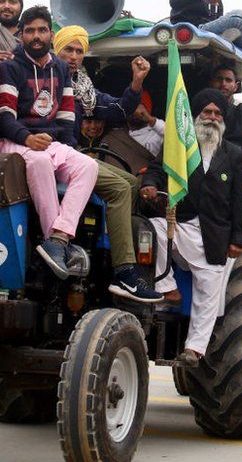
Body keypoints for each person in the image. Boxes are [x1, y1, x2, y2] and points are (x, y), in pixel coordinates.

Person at [53, 26, 161, 302]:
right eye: (68, 49)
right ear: (57, 50)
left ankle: (106, 249)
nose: (74, 56)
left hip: (72, 153)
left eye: (79, 51)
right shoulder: (47, 79)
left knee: (132, 182)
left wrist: (136, 82)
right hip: (55, 153)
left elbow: (117, 109)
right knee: (119, 189)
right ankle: (124, 272)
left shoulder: (83, 86)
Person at [140, 89, 242, 366]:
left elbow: (238, 199)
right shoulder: (179, 145)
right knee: (154, 229)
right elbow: (155, 168)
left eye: (217, 113)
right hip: (182, 225)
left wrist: (237, 239)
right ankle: (168, 287)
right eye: (207, 112)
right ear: (196, 116)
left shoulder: (234, 154)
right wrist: (149, 185)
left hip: (215, 236)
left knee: (208, 294)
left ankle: (194, 350)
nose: (212, 118)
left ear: (223, 119)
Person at [0, 6, 99, 279]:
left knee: (87, 166)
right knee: (39, 161)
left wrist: (67, 150)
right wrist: (27, 137)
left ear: (51, 34)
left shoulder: (61, 68)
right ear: (21, 35)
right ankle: (56, 242)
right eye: (29, 31)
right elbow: (3, 118)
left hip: (48, 142)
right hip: (14, 141)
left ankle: (58, 239)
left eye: (41, 30)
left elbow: (65, 118)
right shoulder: (10, 68)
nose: (36, 36)